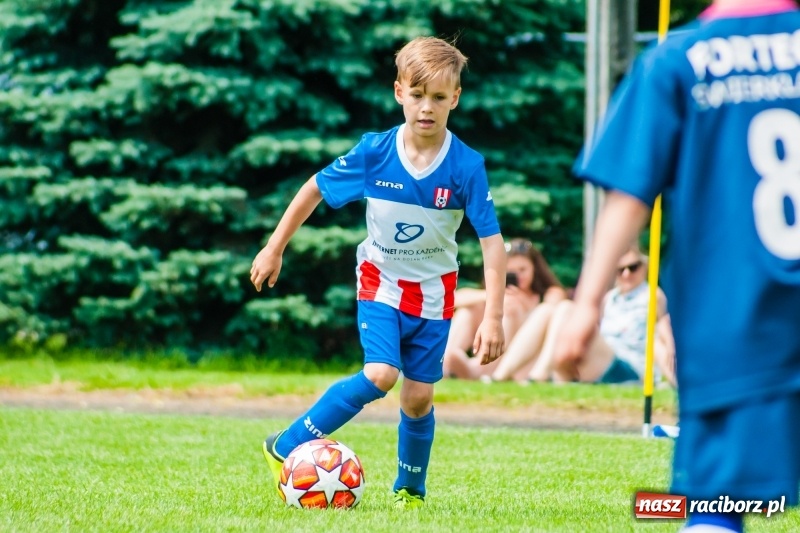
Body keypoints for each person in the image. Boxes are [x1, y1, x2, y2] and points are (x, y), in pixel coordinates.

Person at [555, 2, 800, 532]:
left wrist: (586, 304)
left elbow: (628, 198)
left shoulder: (676, 60)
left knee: (716, 506)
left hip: (734, 326)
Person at [250, 36, 507, 509]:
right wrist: (274, 247)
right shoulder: (375, 152)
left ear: (455, 98)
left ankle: (410, 491)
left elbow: (492, 244)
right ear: (398, 92)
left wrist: (493, 317)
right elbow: (314, 188)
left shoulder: (467, 166)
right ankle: (286, 444)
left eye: (438, 97)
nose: (426, 107)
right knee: (382, 373)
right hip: (380, 281)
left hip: (435, 293)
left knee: (418, 398)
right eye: (417, 94)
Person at [487, 245, 676, 386]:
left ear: (644, 267)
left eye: (633, 267)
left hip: (630, 368)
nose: (627, 274)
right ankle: (500, 375)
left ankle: (539, 375)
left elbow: (664, 328)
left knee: (565, 308)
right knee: (549, 311)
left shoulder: (652, 295)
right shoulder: (610, 298)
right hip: (600, 359)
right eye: (620, 270)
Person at [442, 238, 567, 380]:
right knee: (469, 310)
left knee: (510, 310)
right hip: (497, 336)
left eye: (522, 270)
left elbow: (555, 315)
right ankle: (446, 361)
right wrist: (493, 297)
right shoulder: (495, 295)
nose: (518, 276)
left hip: (524, 362)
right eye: (510, 271)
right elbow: (455, 299)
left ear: (534, 269)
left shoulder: (549, 293)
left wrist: (523, 304)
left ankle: (480, 368)